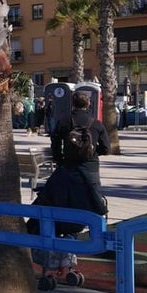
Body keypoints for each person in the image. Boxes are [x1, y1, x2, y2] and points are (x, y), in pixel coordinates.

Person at [44, 90, 110, 220]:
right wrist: (92, 152)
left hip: (68, 165)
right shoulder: (96, 124)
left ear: (72, 104)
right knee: (94, 196)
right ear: (89, 104)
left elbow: (55, 143)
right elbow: (106, 148)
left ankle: (67, 225)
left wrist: (60, 159)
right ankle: (98, 222)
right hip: (90, 166)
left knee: (64, 195)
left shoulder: (64, 121)